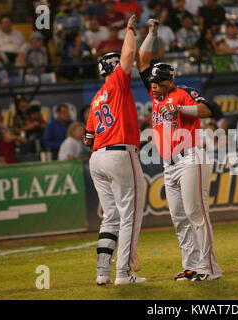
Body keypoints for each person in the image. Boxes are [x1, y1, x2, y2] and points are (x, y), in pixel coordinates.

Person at [137, 19, 222, 281]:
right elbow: (142, 59)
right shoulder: (156, 95)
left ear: (170, 80)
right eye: (152, 83)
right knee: (179, 218)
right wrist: (152, 34)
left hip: (191, 157)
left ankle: (209, 268)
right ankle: (192, 266)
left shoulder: (184, 92)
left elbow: (210, 110)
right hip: (169, 163)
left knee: (196, 213)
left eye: (159, 83)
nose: (153, 86)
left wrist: (179, 108)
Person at [83, 15, 146, 286]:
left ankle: (102, 273)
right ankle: (124, 273)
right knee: (129, 214)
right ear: (113, 66)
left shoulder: (96, 98)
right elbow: (130, 51)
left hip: (97, 157)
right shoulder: (117, 83)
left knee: (110, 216)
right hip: (120, 153)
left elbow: (88, 137)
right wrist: (130, 28)